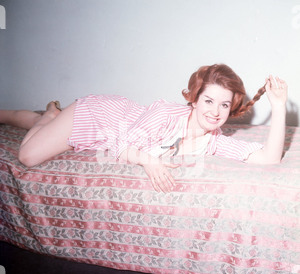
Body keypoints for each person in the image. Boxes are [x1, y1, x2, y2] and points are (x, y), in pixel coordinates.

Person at [0, 64, 288, 193]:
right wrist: (149, 161)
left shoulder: (213, 140)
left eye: (224, 106)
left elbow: (269, 158)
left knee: (43, 129)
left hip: (103, 132)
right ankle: (48, 116)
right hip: (97, 116)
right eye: (209, 101)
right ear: (194, 99)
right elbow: (121, 146)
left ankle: (48, 116)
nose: (215, 112)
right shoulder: (165, 112)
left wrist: (277, 106)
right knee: (27, 156)